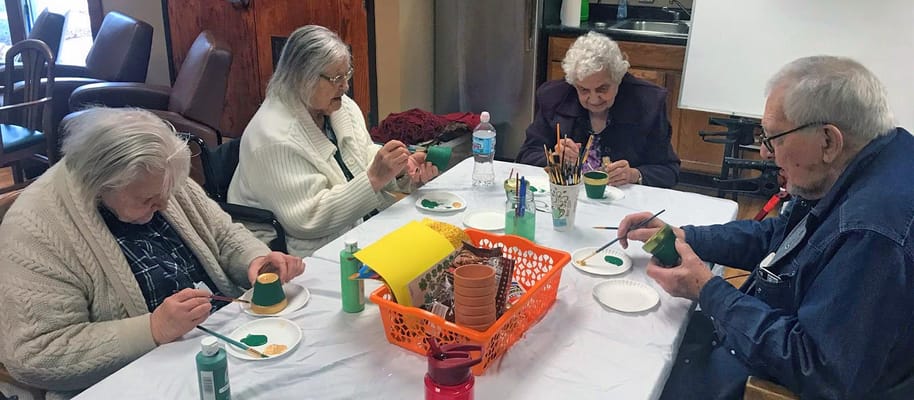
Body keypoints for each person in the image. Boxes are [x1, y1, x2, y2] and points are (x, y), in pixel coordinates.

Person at [618, 56, 914, 399]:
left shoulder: (872, 233)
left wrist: (707, 290)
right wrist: (687, 236)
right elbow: (780, 235)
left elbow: (817, 369)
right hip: (775, 335)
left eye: (773, 138)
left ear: (829, 142)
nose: (763, 152)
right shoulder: (874, 153)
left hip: (768, 382)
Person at [0, 108, 305, 397]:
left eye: (168, 194)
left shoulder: (158, 174)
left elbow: (222, 234)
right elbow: (35, 354)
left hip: (220, 345)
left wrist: (254, 259)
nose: (163, 205)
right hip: (138, 381)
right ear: (101, 185)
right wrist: (153, 329)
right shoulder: (36, 230)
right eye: (148, 201)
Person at [228, 25, 438, 256]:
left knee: (433, 244)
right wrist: (375, 178)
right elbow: (309, 220)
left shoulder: (340, 106)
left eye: (346, 75)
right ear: (301, 79)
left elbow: (362, 156)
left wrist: (399, 170)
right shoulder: (273, 137)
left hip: (354, 225)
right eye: (336, 78)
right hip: (293, 252)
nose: (345, 86)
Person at [515, 31, 680, 188]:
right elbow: (526, 155)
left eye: (602, 89)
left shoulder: (648, 103)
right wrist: (555, 159)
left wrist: (634, 174)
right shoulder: (554, 98)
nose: (594, 99)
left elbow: (669, 170)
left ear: (618, 79)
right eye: (584, 90)